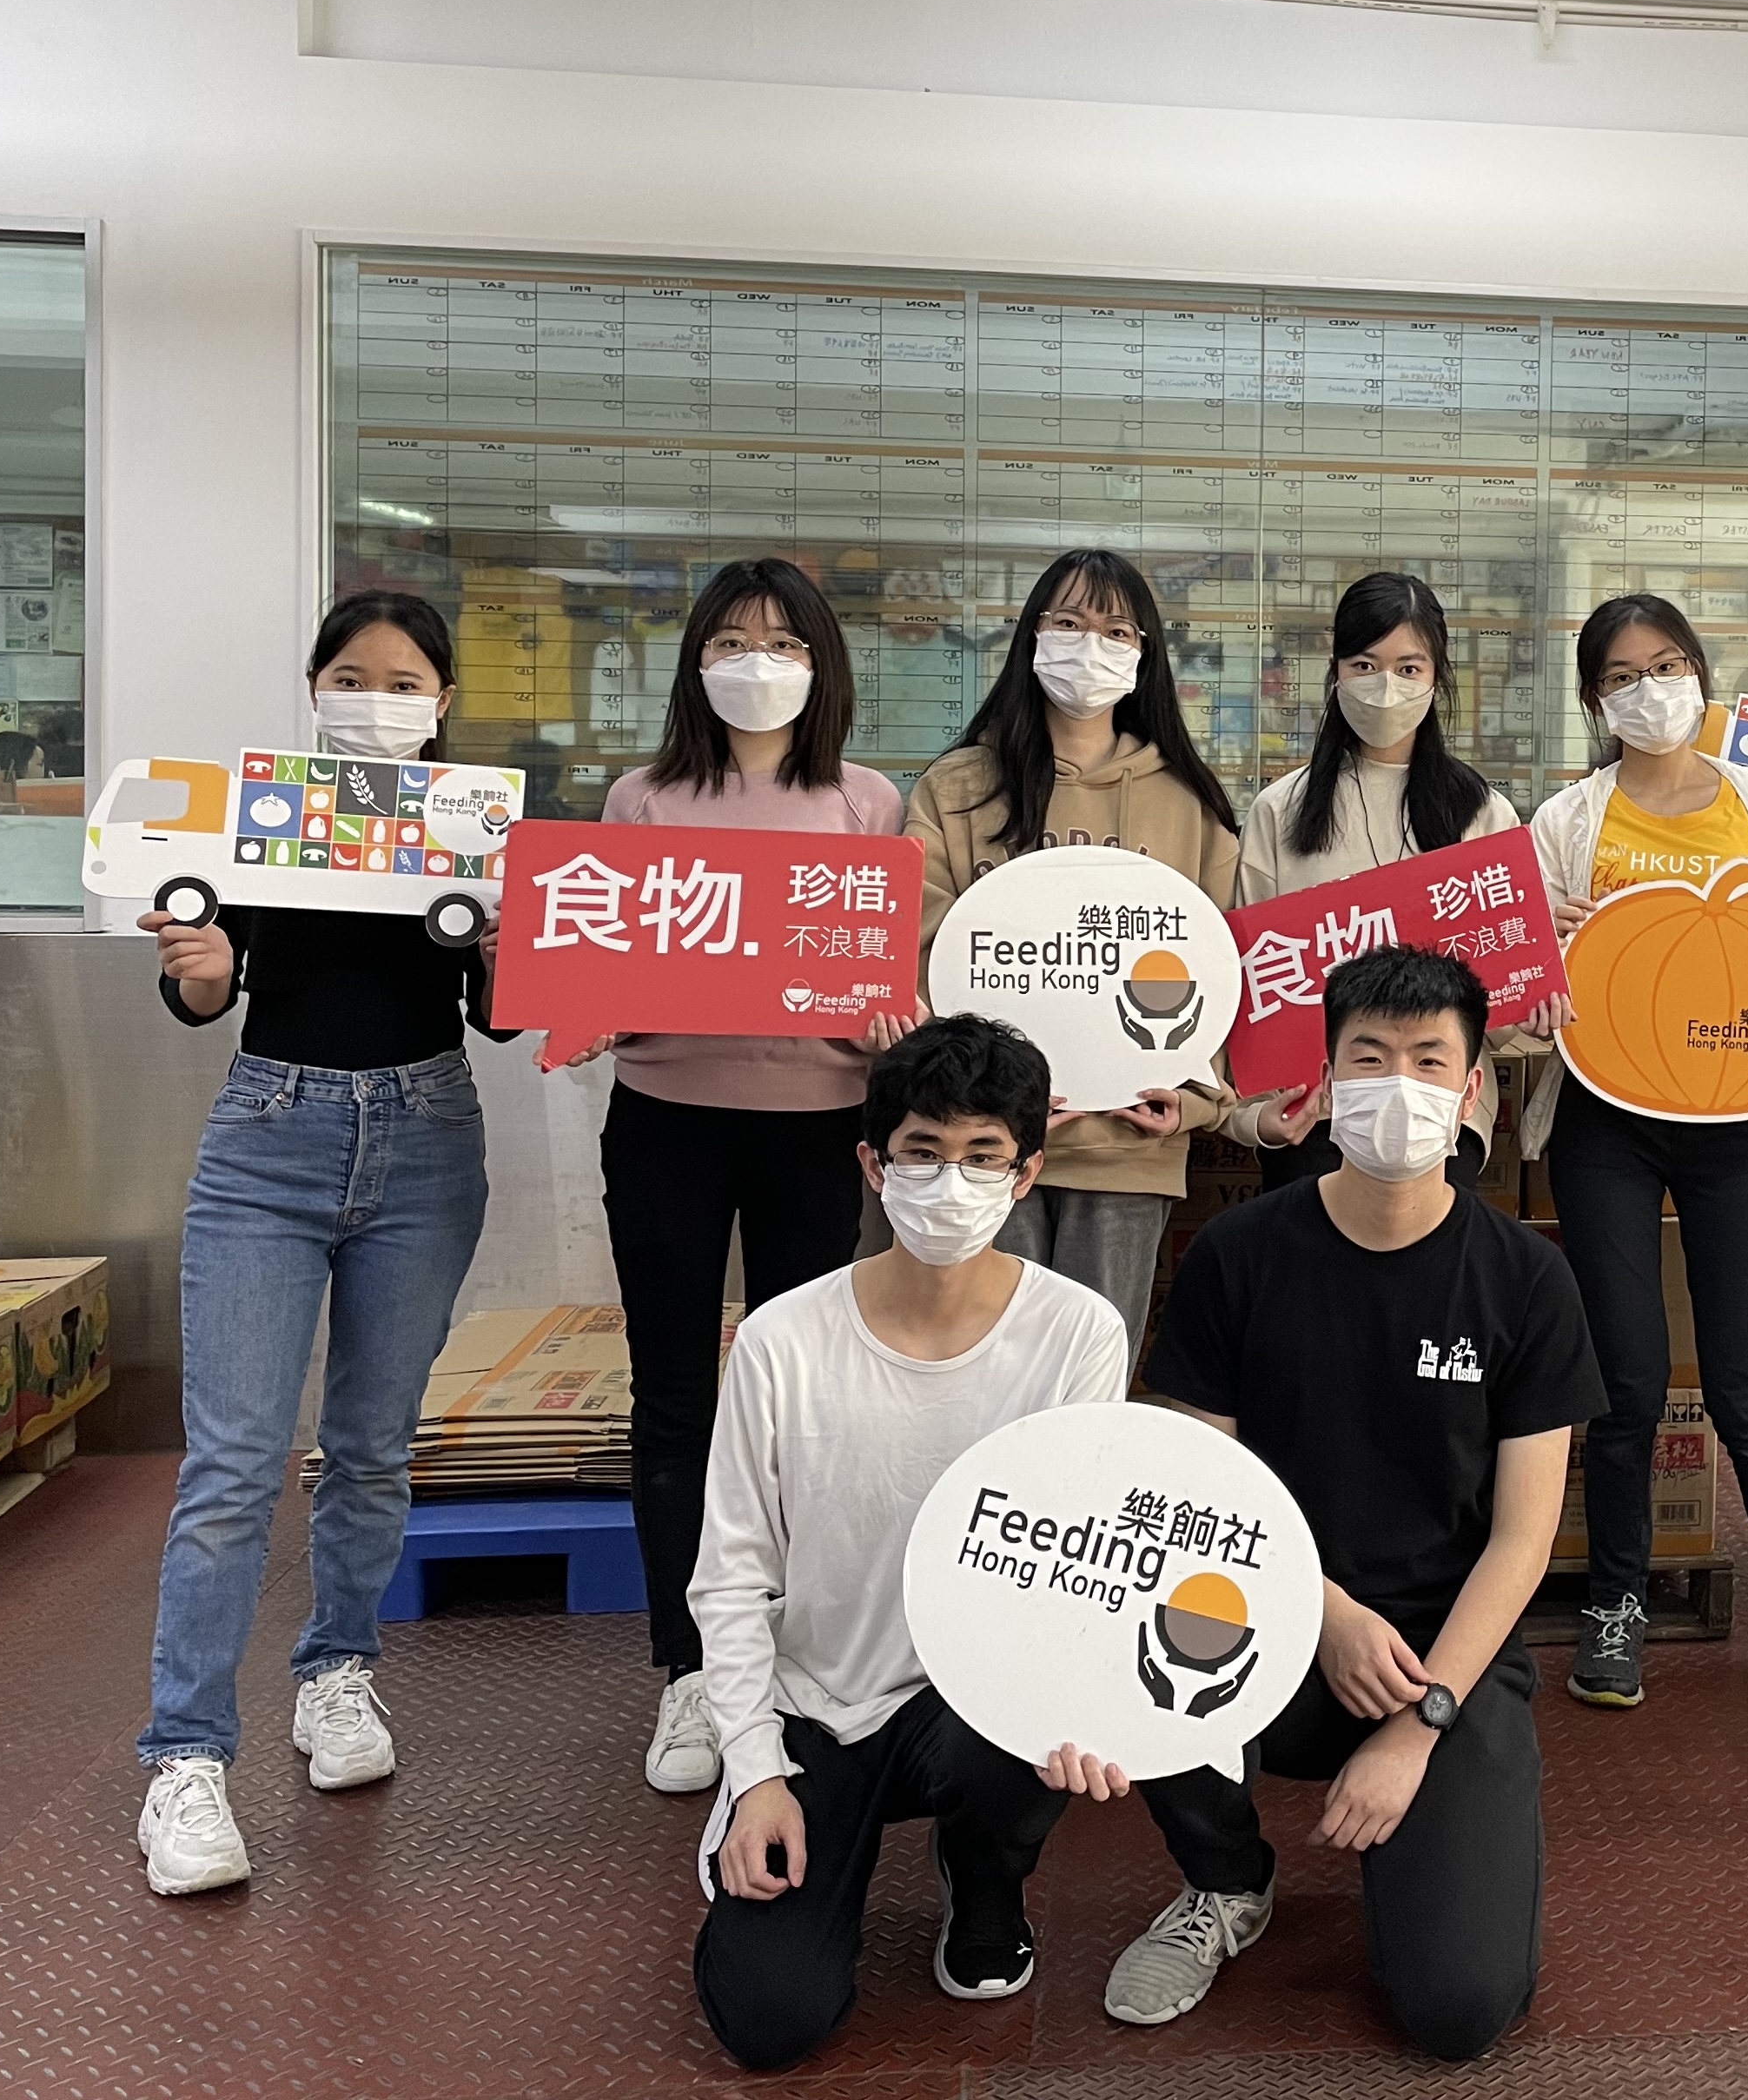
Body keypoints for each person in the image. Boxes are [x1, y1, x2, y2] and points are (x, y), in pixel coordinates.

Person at [1059, 945, 1603, 2059]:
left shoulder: (1523, 1277)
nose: (1396, 1085)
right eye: (1369, 1058)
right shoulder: (1240, 1254)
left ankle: (1434, 1842)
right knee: (1123, 1634)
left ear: (1469, 1093)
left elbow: (1522, 1539)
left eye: (1427, 1062)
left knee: (1459, 2011)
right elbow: (1191, 1486)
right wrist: (1321, 1609)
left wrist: (1419, 1725)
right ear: (1323, 1080)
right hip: (1256, 1610)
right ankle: (1227, 1882)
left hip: (1439, 1655)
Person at [129, 592, 503, 1896]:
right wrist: (200, 971)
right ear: (313, 686)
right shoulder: (252, 814)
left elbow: (500, 1015)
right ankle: (185, 1758)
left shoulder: (474, 822)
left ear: (442, 702)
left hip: (427, 1136)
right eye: (353, 675)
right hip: (269, 1136)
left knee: (371, 1450)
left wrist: (518, 952)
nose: (378, 696)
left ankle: (337, 1675)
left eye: (405, 681)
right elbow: (205, 982)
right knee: (232, 1462)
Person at [690, 1017, 1134, 2070]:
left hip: (974, 1703)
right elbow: (731, 1577)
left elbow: (1079, 1557)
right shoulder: (780, 1341)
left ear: (1028, 1173)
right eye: (923, 1152)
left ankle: (985, 1888)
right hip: (820, 1703)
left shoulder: (1078, 1333)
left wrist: (1081, 1702)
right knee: (769, 2021)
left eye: (984, 1157)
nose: (950, 1182)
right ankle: (789, 1832)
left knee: (1019, 1752)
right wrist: (753, 1773)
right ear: (872, 1164)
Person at [553, 558, 910, 1801]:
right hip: (667, 1124)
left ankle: (798, 1658)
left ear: (823, 667)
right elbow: (596, 965)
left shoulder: (867, 803)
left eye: (785, 642)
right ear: (694, 659)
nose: (757, 662)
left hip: (819, 1125)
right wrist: (581, 1009)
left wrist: (887, 1019)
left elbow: (880, 974)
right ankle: (689, 1673)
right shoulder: (640, 800)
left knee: (806, 1402)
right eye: (732, 639)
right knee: (675, 1402)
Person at [1523, 594, 1748, 1711]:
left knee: (1742, 1381)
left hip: (1736, 1121)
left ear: (1701, 674)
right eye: (1623, 675)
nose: (1650, 689)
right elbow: (1525, 1010)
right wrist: (1555, 954)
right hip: (1604, 1123)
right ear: (1595, 700)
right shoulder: (1565, 821)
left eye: (1668, 665)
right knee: (1624, 1383)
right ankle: (1616, 1604)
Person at [908, 548, 1241, 1354]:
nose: (1089, 645)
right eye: (1067, 623)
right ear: (1030, 638)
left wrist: (1196, 1101)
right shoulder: (958, 786)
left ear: (1144, 655)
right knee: (978, 1372)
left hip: (1126, 1146)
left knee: (1092, 1379)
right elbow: (919, 953)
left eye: (1115, 629)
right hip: (979, 1140)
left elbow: (1222, 967)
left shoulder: (1191, 803)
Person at [1228, 572, 1529, 1189]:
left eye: (1409, 668)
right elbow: (1250, 985)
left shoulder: (1482, 813)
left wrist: (1537, 994)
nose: (1385, 686)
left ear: (1436, 679)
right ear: (1336, 673)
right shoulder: (1281, 810)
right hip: (1316, 1113)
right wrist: (1252, 1118)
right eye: (1365, 665)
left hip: (1437, 1118)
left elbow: (1499, 1011)